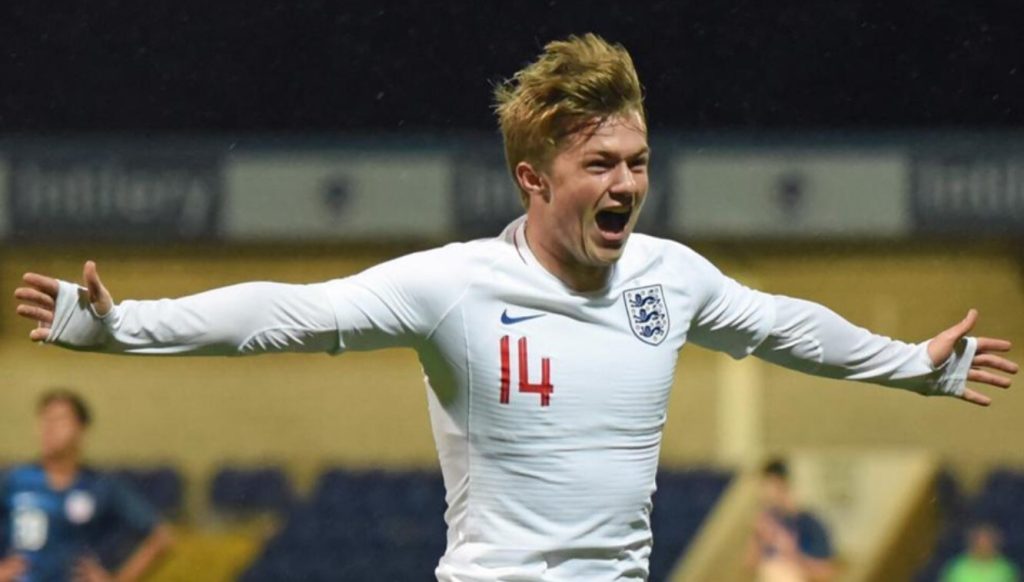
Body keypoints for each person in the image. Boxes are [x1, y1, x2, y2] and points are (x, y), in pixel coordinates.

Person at [11, 34, 1017, 582]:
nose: (627, 184)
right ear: (535, 179)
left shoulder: (669, 277)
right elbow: (288, 312)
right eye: (601, 164)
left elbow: (784, 325)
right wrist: (123, 327)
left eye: (638, 162)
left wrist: (911, 364)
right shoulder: (454, 286)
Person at [0, 390, 173, 582]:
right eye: (45, 419)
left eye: (59, 420)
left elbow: (160, 537)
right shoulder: (14, 480)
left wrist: (118, 579)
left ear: (81, 429)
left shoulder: (100, 485)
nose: (49, 428)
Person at [745, 459, 836, 582]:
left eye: (764, 485)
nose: (761, 493)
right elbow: (749, 565)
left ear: (779, 483)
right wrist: (759, 537)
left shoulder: (810, 524)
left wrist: (788, 550)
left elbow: (826, 573)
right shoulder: (767, 521)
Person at [941, 523, 1020, 582]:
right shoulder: (957, 568)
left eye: (988, 541)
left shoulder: (1006, 570)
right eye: (980, 541)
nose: (983, 545)